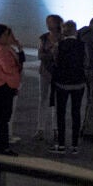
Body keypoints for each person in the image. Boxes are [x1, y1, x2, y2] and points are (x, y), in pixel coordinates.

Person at [51, 21, 89, 154]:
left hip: (62, 83)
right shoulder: (82, 46)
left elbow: (55, 62)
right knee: (76, 112)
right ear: (75, 31)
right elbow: (86, 62)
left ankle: (61, 144)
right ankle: (75, 145)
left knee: (61, 113)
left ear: (63, 31)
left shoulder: (58, 45)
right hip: (78, 83)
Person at [0, 24, 22, 155]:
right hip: (4, 85)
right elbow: (8, 68)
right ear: (0, 35)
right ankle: (2, 145)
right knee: (3, 117)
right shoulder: (1, 50)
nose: (9, 37)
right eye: (7, 34)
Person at [36, 14, 63, 144]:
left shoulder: (63, 38)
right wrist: (50, 53)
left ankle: (56, 129)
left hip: (58, 72)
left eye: (50, 22)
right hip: (45, 71)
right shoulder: (44, 38)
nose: (48, 24)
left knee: (57, 101)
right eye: (47, 22)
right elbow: (39, 55)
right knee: (43, 99)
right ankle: (40, 128)